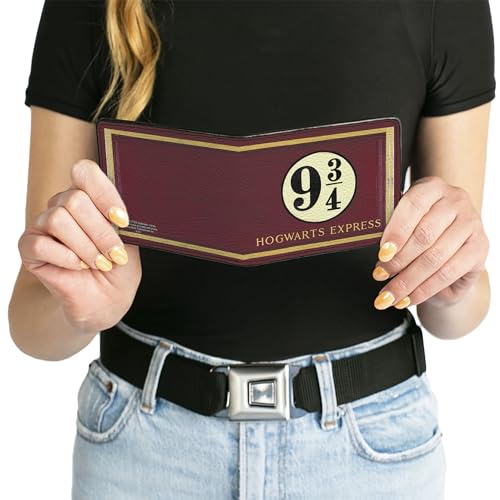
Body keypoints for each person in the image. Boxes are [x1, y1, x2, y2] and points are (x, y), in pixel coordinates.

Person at [9, 0, 495, 498]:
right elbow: (30, 322)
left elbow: (458, 311)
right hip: (143, 448)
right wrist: (80, 310)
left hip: (369, 450)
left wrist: (450, 281)